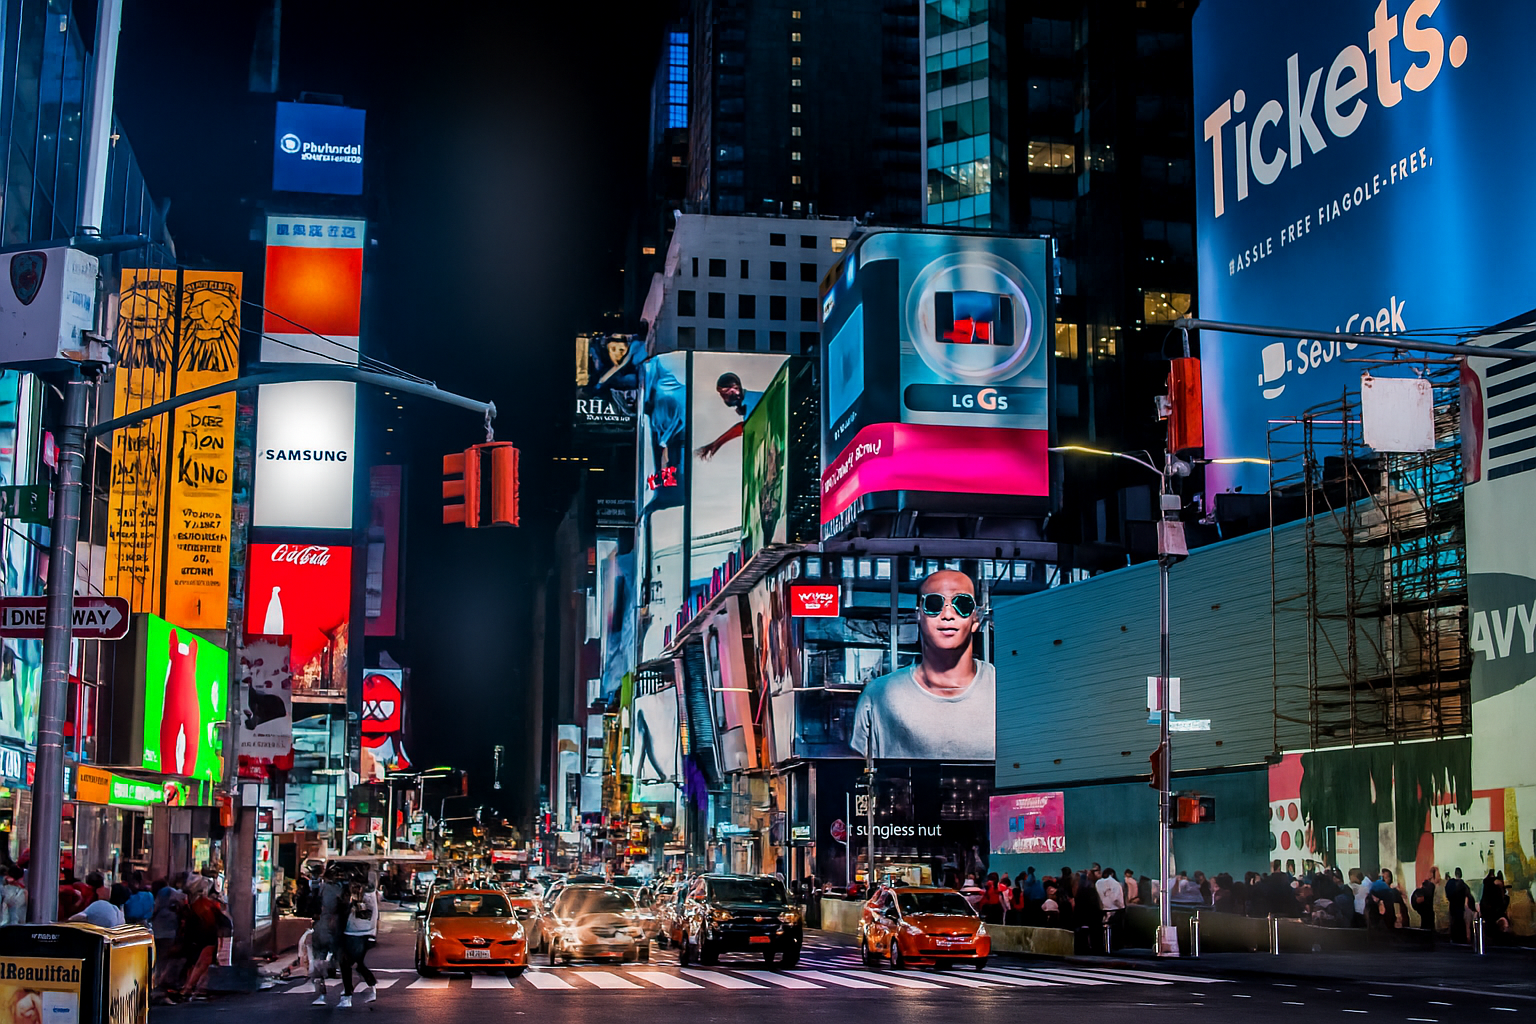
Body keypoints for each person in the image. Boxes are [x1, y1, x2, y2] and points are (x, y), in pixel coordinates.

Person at [850, 570, 995, 760]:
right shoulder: (878, 695)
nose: (947, 614)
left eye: (962, 604)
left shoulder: (1005, 691)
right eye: (934, 604)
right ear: (918, 615)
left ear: (976, 618)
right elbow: (859, 771)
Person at [338, 879, 379, 1008]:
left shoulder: (368, 898)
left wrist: (372, 935)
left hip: (360, 934)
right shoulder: (353, 899)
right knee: (351, 964)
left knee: (351, 963)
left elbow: (371, 916)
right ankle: (366, 987)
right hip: (350, 932)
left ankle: (349, 995)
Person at [309, 866, 345, 1006]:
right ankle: (344, 993)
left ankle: (321, 993)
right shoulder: (339, 890)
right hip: (334, 926)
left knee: (319, 958)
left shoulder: (320, 888)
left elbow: (314, 905)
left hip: (322, 926)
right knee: (340, 957)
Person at [1445, 867, 1473, 943]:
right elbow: (1469, 896)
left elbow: (1448, 895)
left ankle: (1454, 939)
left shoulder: (1450, 884)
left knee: (1453, 924)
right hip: (1460, 909)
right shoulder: (1464, 886)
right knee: (1460, 925)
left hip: (1453, 908)